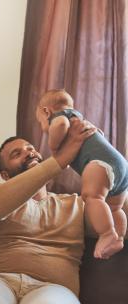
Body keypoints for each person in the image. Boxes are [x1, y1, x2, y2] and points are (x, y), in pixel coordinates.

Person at [0, 119, 96, 304]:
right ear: (5, 175)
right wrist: (58, 161)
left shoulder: (75, 204)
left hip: (53, 288)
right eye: (17, 153)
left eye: (30, 148)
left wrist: (99, 160)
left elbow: (118, 218)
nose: (28, 152)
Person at [36, 89, 128, 259]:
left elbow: (60, 126)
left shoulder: (60, 117)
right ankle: (119, 237)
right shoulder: (80, 119)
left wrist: (54, 147)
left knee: (92, 197)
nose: (43, 127)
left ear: (46, 111)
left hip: (101, 163)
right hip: (121, 165)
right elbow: (99, 134)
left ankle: (107, 234)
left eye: (40, 122)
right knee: (115, 207)